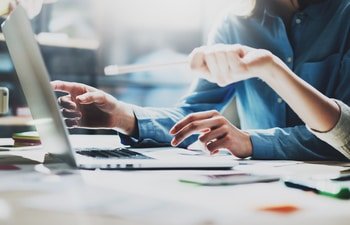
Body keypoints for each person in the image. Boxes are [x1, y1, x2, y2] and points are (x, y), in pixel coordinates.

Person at [52, 0, 350, 161]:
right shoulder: (233, 23)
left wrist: (249, 141)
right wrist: (123, 116)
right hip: (260, 186)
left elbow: (343, 133)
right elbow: (192, 116)